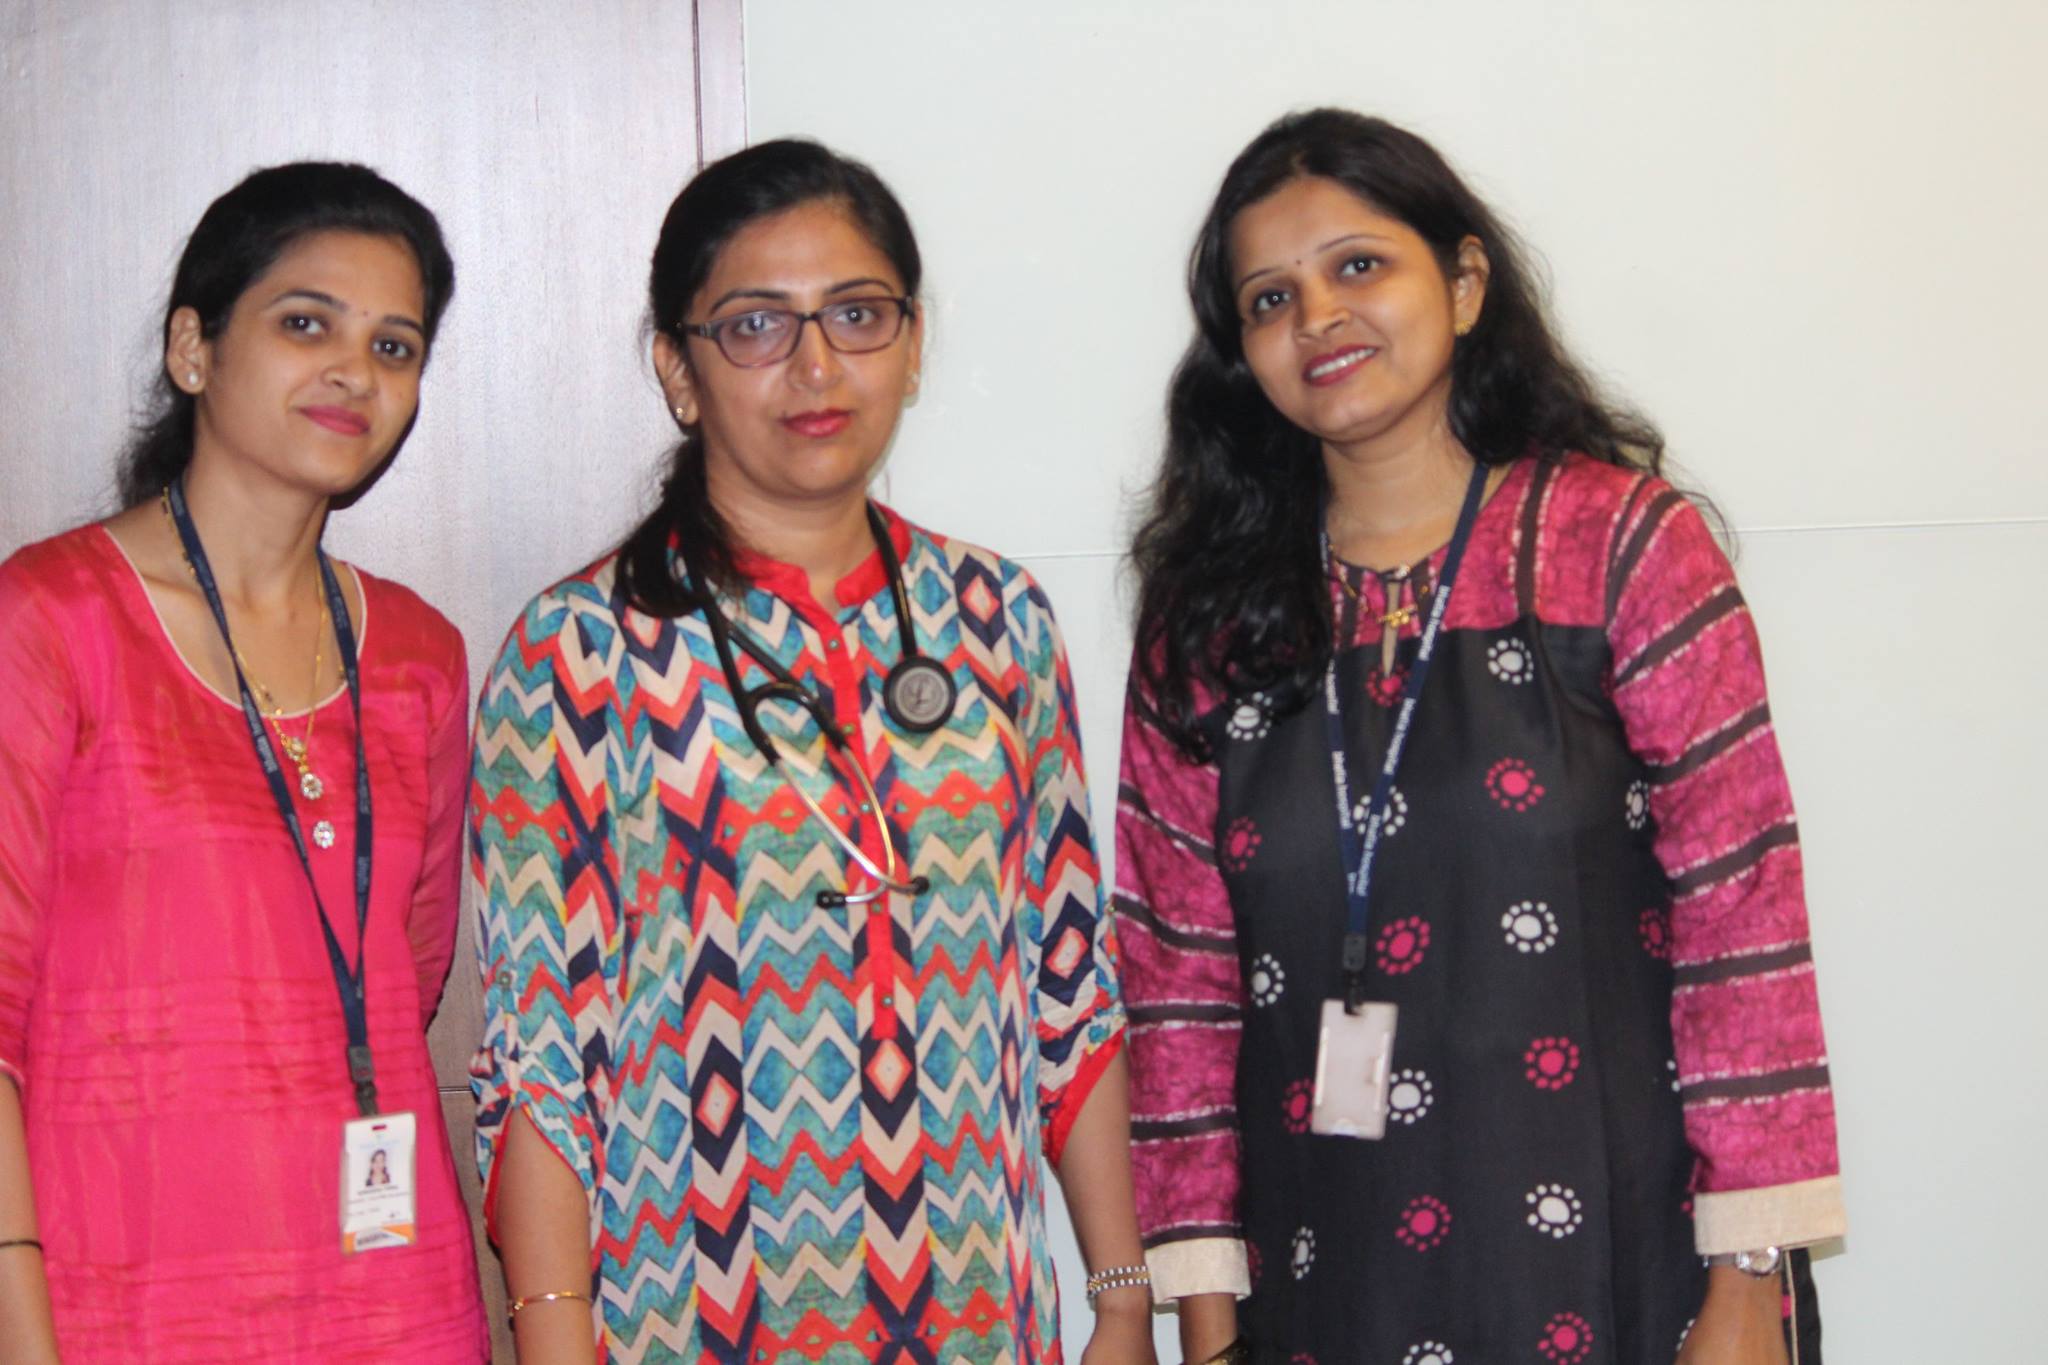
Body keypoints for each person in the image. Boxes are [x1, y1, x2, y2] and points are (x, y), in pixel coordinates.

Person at [1115, 109, 1844, 1365]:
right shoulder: (1208, 622)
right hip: (1319, 1276)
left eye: (1358, 266)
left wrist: (1744, 1285)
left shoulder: (1622, 547)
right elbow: (1176, 983)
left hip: (1625, 1265)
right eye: (1269, 298)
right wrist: (1210, 1324)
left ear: (1461, 284)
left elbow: (1743, 915)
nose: (1317, 318)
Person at [470, 139, 1153, 1365]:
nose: (816, 364)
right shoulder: (576, 651)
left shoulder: (996, 619)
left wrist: (1119, 1297)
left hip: (979, 1317)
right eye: (754, 326)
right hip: (691, 1317)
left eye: (856, 313)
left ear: (913, 341)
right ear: (677, 370)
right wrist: (554, 1345)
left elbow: (1069, 984)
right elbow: (540, 1059)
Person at [0, 162, 488, 1363]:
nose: (354, 371)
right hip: (116, 1301)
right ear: (193, 349)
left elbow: (410, 970)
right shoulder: (51, 621)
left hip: (395, 1304)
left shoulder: (418, 656)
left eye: (393, 346)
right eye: (306, 323)